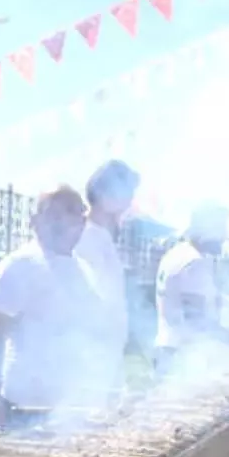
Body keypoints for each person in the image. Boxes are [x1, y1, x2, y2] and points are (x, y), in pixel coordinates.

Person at [0, 185, 104, 428]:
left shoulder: (83, 269)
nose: (66, 220)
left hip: (71, 405)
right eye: (55, 213)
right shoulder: (19, 265)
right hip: (26, 406)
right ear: (35, 222)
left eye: (75, 212)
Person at [73, 160, 141, 406]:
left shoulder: (103, 236)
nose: (129, 201)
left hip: (108, 348)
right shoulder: (86, 235)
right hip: (91, 351)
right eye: (126, 192)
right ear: (105, 194)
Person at [153, 202, 229, 381]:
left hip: (166, 349)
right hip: (183, 358)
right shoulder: (194, 263)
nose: (224, 237)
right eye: (220, 229)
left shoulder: (176, 253)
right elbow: (197, 321)